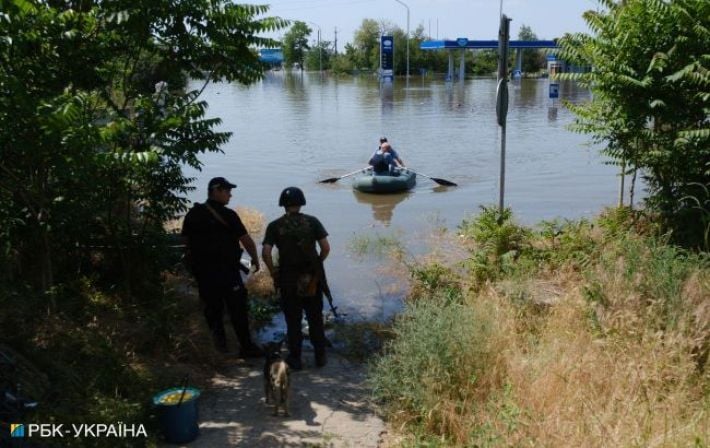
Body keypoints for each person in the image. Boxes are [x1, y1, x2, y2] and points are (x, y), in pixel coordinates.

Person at [181, 177, 263, 357]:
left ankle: (220, 348)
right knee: (238, 311)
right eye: (227, 191)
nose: (230, 195)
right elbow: (247, 241)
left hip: (204, 273)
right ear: (216, 190)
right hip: (228, 272)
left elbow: (185, 242)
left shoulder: (192, 214)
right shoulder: (229, 215)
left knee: (213, 311)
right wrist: (256, 260)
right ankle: (246, 347)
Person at [262, 187, 330, 370]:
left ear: (283, 205)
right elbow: (325, 248)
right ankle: (320, 357)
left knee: (293, 320)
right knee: (315, 317)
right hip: (312, 279)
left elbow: (266, 253)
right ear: (301, 203)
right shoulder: (313, 222)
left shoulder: (274, 226)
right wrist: (318, 264)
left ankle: (296, 358)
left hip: (288, 279)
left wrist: (274, 272)